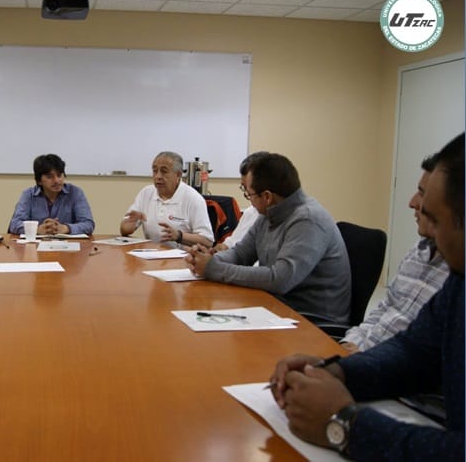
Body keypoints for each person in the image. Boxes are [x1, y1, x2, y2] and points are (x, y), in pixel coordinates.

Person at [269, 134, 464, 460]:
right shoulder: (460, 280)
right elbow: (415, 351)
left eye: (437, 220)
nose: (429, 232)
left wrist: (346, 424)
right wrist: (337, 371)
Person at [185, 152, 350, 323]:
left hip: (311, 320)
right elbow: (241, 254)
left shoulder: (308, 220)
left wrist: (213, 268)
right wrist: (207, 259)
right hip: (276, 306)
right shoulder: (268, 214)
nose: (248, 199)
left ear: (267, 196)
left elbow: (280, 279)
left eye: (248, 193)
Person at [341, 154, 449, 353]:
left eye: (423, 194)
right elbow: (385, 307)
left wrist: (362, 359)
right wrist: (348, 345)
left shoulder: (455, 281)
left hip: (384, 364)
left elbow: (422, 357)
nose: (412, 203)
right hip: (363, 355)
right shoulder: (417, 252)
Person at [120, 151, 214, 247]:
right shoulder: (146, 193)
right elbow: (124, 231)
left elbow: (207, 241)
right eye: (155, 171)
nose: (158, 176)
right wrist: (129, 224)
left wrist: (179, 236)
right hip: (150, 253)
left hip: (182, 255)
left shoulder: (193, 198)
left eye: (164, 171)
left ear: (178, 175)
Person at [8, 153, 95, 236]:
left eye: (59, 175)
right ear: (39, 181)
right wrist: (37, 229)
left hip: (68, 244)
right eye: (50, 177)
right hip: (36, 245)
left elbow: (88, 224)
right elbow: (14, 224)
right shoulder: (29, 195)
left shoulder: (75, 192)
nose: (57, 180)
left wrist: (66, 228)